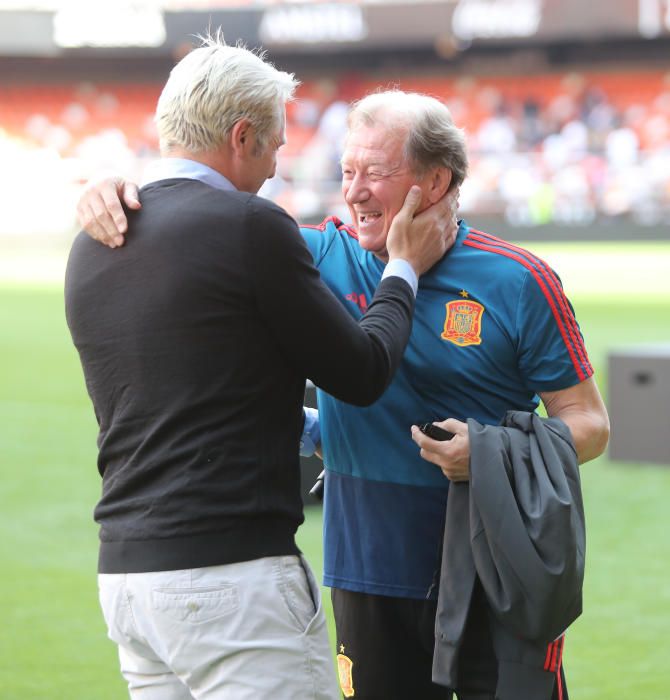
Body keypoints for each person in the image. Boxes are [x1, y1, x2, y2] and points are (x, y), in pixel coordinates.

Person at [77, 90, 610, 700]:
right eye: (347, 171)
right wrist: (113, 190)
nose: (354, 191)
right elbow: (193, 226)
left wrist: (489, 453)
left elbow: (590, 424)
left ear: (435, 180)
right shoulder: (316, 256)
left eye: (376, 173)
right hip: (367, 573)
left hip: (499, 569)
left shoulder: (519, 280)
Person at [65, 39, 455, 700]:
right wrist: (403, 268)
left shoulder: (92, 239)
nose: (277, 163)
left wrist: (300, 426)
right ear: (241, 135)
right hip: (230, 580)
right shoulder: (248, 224)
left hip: (126, 579)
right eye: (274, 143)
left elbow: (198, 391)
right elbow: (361, 372)